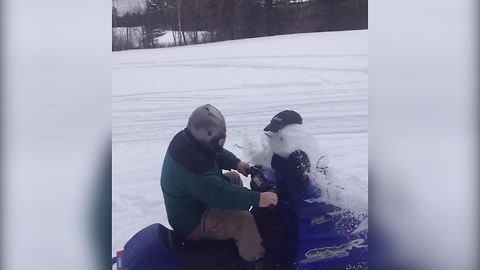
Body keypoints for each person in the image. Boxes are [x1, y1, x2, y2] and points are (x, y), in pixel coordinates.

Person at [160, 104, 278, 265]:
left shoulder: (190, 139)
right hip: (192, 220)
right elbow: (220, 194)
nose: (220, 143)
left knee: (234, 178)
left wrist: (236, 163)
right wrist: (258, 198)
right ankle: (255, 260)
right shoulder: (192, 168)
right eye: (218, 140)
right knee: (244, 221)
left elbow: (215, 152)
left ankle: (243, 239)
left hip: (194, 201)